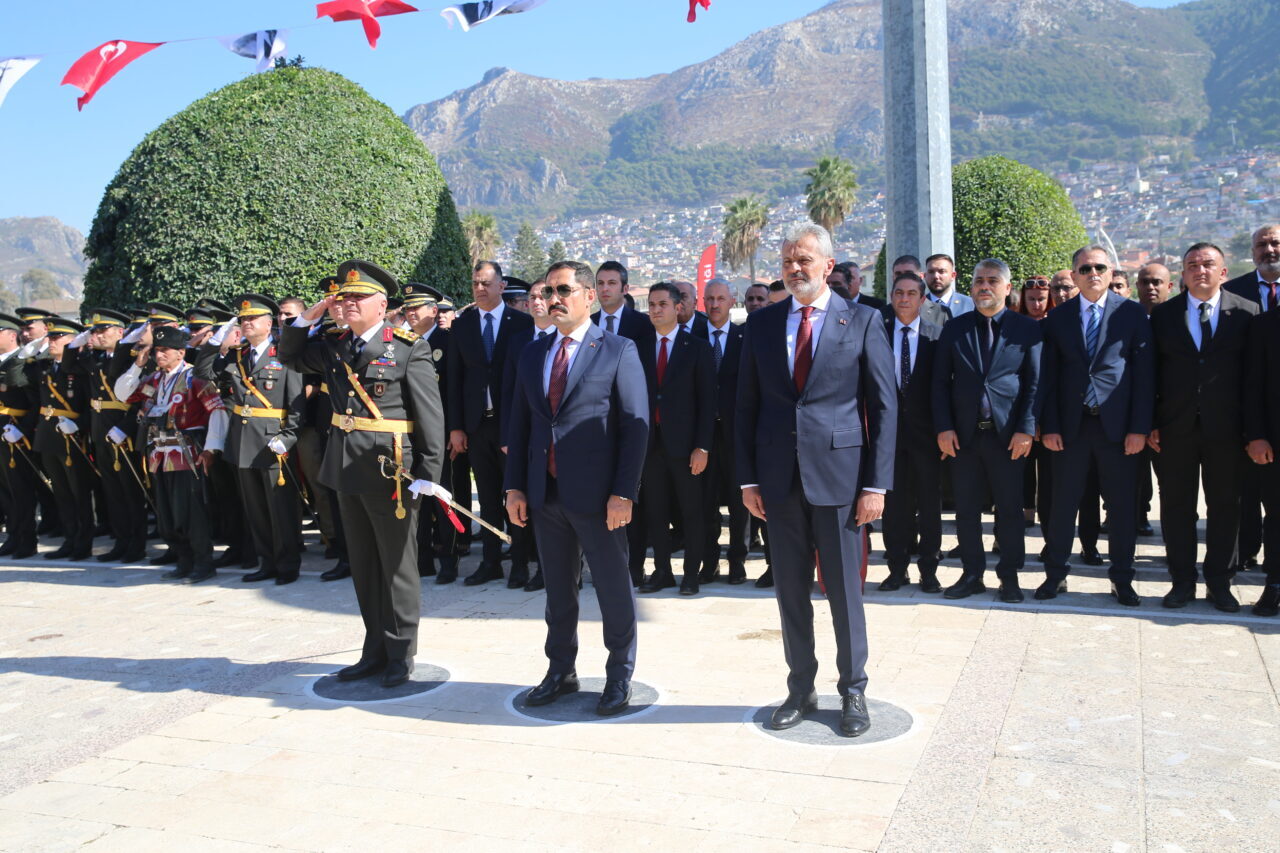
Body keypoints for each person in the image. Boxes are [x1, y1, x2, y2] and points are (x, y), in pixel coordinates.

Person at [736, 222, 896, 738]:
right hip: (778, 483)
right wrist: (747, 480)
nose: (794, 268)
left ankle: (853, 690)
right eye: (787, 261)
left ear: (829, 266)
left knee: (845, 593)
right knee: (789, 592)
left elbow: (884, 406)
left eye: (804, 260)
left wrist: (877, 486)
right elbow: (746, 407)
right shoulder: (761, 326)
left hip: (842, 482)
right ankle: (800, 688)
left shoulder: (864, 321)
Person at [282, 260, 446, 688]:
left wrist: (428, 472)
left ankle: (400, 652)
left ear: (382, 304)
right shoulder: (336, 345)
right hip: (346, 467)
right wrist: (305, 319)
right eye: (344, 297)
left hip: (390, 470)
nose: (347, 302)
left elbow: (430, 415)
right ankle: (373, 650)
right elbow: (290, 356)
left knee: (396, 566)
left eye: (357, 297)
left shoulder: (408, 347)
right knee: (364, 564)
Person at [504, 261, 649, 716]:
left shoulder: (618, 350)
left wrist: (623, 493)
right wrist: (515, 489)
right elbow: (521, 424)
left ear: (589, 295)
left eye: (564, 289)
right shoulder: (534, 353)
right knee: (558, 593)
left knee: (611, 589)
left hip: (599, 497)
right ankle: (560, 670)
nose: (554, 298)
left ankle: (619, 674)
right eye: (549, 291)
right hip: (544, 494)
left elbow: (635, 428)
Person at [1036, 247, 1153, 607]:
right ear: (1073, 275)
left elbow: (1144, 377)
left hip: (1117, 430)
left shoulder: (1131, 314)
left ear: (1110, 271)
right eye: (1085, 268)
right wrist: (1050, 425)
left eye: (1100, 267)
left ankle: (1122, 579)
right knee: (1062, 506)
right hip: (1071, 429)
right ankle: (1056, 575)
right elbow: (1048, 378)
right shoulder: (1058, 318)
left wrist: (1139, 428)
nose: (1093, 273)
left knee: (1120, 509)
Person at [1149, 243, 1258, 611]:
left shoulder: (1246, 313)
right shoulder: (1163, 315)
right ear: (1183, 273)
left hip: (1227, 430)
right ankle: (1181, 581)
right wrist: (1150, 423)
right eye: (1192, 265)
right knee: (1177, 507)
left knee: (1226, 507)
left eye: (1208, 264)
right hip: (1174, 428)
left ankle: (1220, 582)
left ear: (1223, 272)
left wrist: (1252, 429)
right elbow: (1152, 376)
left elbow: (1253, 378)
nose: (1200, 270)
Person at [932, 259, 1041, 603]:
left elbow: (1035, 384)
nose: (984, 286)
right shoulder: (955, 329)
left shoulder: (1026, 330)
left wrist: (1026, 428)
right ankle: (972, 573)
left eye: (993, 281)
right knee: (965, 509)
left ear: (1007, 288)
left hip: (1007, 436)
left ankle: (1009, 576)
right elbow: (939, 384)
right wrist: (944, 428)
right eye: (979, 280)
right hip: (964, 436)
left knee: (1009, 510)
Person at [196, 294, 305, 585]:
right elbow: (202, 371)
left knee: (280, 508)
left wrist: (289, 436)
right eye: (242, 319)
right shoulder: (238, 355)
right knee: (255, 509)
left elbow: (296, 402)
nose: (246, 323)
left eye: (251, 319)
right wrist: (217, 339)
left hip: (273, 440)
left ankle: (287, 564)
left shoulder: (284, 354)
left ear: (269, 324)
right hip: (243, 441)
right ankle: (266, 562)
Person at [114, 325, 228, 583]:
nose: (158, 355)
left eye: (164, 351)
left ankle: (203, 562)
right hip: (159, 453)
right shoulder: (154, 379)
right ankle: (183, 560)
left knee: (191, 511)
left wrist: (211, 448)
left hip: (187, 451)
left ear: (180, 352)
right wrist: (137, 364)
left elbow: (217, 411)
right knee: (167, 513)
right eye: (156, 351)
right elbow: (122, 394)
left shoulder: (194, 377)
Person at [447, 261, 534, 587]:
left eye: (486, 283)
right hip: (476, 425)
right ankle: (491, 561)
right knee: (486, 495)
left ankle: (522, 562)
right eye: (475, 284)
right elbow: (455, 380)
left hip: (510, 424)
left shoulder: (521, 323)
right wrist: (456, 427)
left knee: (516, 493)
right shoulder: (463, 324)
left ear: (501, 285)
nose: (480, 289)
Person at [637, 282, 715, 595]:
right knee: (655, 511)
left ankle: (691, 574)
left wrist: (702, 446)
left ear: (677, 308)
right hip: (649, 446)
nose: (655, 310)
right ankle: (663, 572)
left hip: (686, 448)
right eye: (651, 305)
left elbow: (708, 402)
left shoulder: (696, 347)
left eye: (662, 304)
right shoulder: (638, 346)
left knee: (691, 511)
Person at [65, 308, 148, 564]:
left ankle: (137, 544)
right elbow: (68, 364)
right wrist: (77, 340)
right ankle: (121, 541)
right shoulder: (96, 360)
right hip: (101, 429)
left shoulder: (132, 358)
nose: (98, 336)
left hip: (123, 430)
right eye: (95, 331)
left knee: (131, 490)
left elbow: (140, 398)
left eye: (103, 331)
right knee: (112, 491)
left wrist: (126, 427)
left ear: (120, 333)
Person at [880, 271, 943, 593]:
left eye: (911, 294)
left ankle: (929, 570)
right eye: (899, 293)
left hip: (927, 436)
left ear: (922, 298)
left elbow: (945, 386)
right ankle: (896, 568)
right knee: (894, 508)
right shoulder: (879, 331)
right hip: (888, 437)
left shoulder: (937, 335)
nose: (904, 299)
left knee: (930, 506)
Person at [1223, 224, 1280, 574]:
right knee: (1245, 491)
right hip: (1244, 411)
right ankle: (1245, 552)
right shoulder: (1231, 291)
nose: (1269, 249)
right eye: (1262, 244)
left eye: (1276, 242)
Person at [403, 282, 460, 585]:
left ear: (433, 311)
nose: (411, 313)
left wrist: (453, 430)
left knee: (441, 494)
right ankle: (422, 557)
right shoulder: (400, 343)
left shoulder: (447, 341)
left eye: (417, 308)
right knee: (415, 498)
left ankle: (449, 559)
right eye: (408, 308)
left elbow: (452, 391)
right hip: (408, 433)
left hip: (439, 434)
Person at [701, 278, 748, 585]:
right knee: (705, 502)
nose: (715, 304)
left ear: (733, 302)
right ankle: (710, 561)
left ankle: (737, 561)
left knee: (738, 501)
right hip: (703, 437)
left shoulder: (746, 338)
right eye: (710, 299)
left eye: (720, 299)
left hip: (737, 434)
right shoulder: (692, 338)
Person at [1245, 305, 1280, 616]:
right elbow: (1252, 385)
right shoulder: (1265, 324)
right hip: (1274, 439)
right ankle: (1275, 585)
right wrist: (1255, 435)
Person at [1133, 262, 1172, 537]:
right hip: (1132, 412)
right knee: (1134, 474)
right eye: (1145, 282)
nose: (1150, 288)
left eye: (1157, 282)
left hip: (1169, 413)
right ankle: (1137, 516)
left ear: (1169, 286)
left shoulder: (1177, 318)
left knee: (1171, 479)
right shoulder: (1127, 317)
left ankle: (1176, 529)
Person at [0, 312, 41, 558]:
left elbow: (35, 401)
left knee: (21, 489)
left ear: (11, 335)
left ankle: (27, 539)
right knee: (5, 490)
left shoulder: (22, 362)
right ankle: (14, 535)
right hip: (2, 429)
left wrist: (23, 428)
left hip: (16, 432)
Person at [592, 261, 654, 346]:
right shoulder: (587, 325)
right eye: (600, 283)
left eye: (612, 283)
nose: (604, 288)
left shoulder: (645, 324)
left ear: (625, 289)